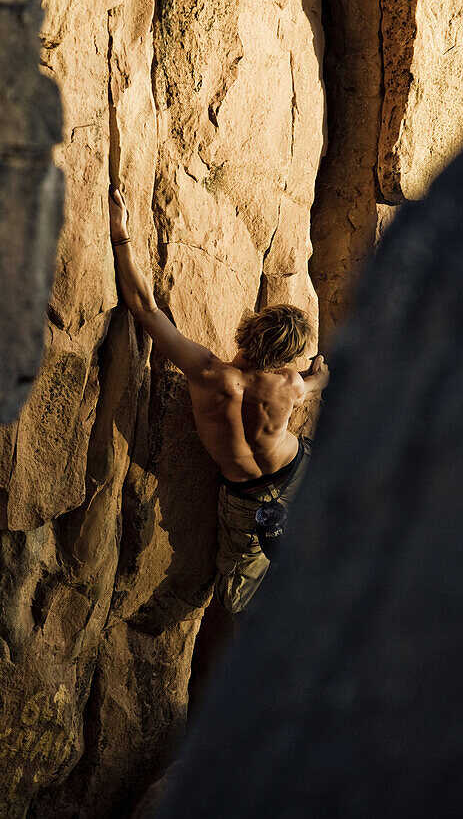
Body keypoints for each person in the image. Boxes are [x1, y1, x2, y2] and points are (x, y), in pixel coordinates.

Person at [108, 187, 329, 613]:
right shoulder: (291, 385)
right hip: (297, 470)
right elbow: (317, 378)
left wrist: (121, 235)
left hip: (249, 498)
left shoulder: (209, 374)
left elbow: (145, 308)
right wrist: (316, 372)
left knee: (237, 599)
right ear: (284, 358)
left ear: (250, 328)